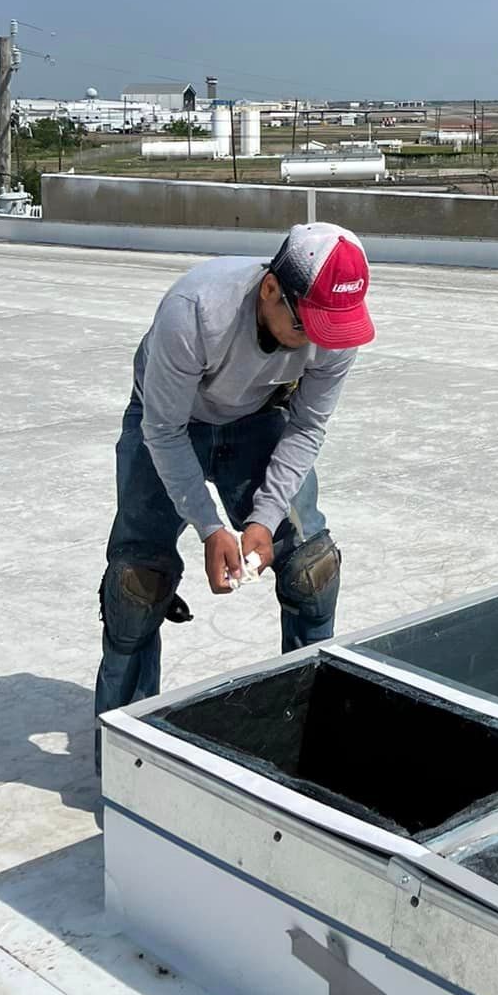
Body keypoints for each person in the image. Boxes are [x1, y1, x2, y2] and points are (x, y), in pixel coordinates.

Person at [94, 222, 375, 725]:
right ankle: (125, 742)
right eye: (306, 324)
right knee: (137, 585)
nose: (318, 341)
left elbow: (308, 427)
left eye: (330, 328)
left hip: (258, 418)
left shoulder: (336, 329)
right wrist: (209, 527)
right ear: (271, 289)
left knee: (312, 570)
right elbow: (163, 430)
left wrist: (263, 520)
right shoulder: (196, 311)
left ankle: (307, 729)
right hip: (167, 417)